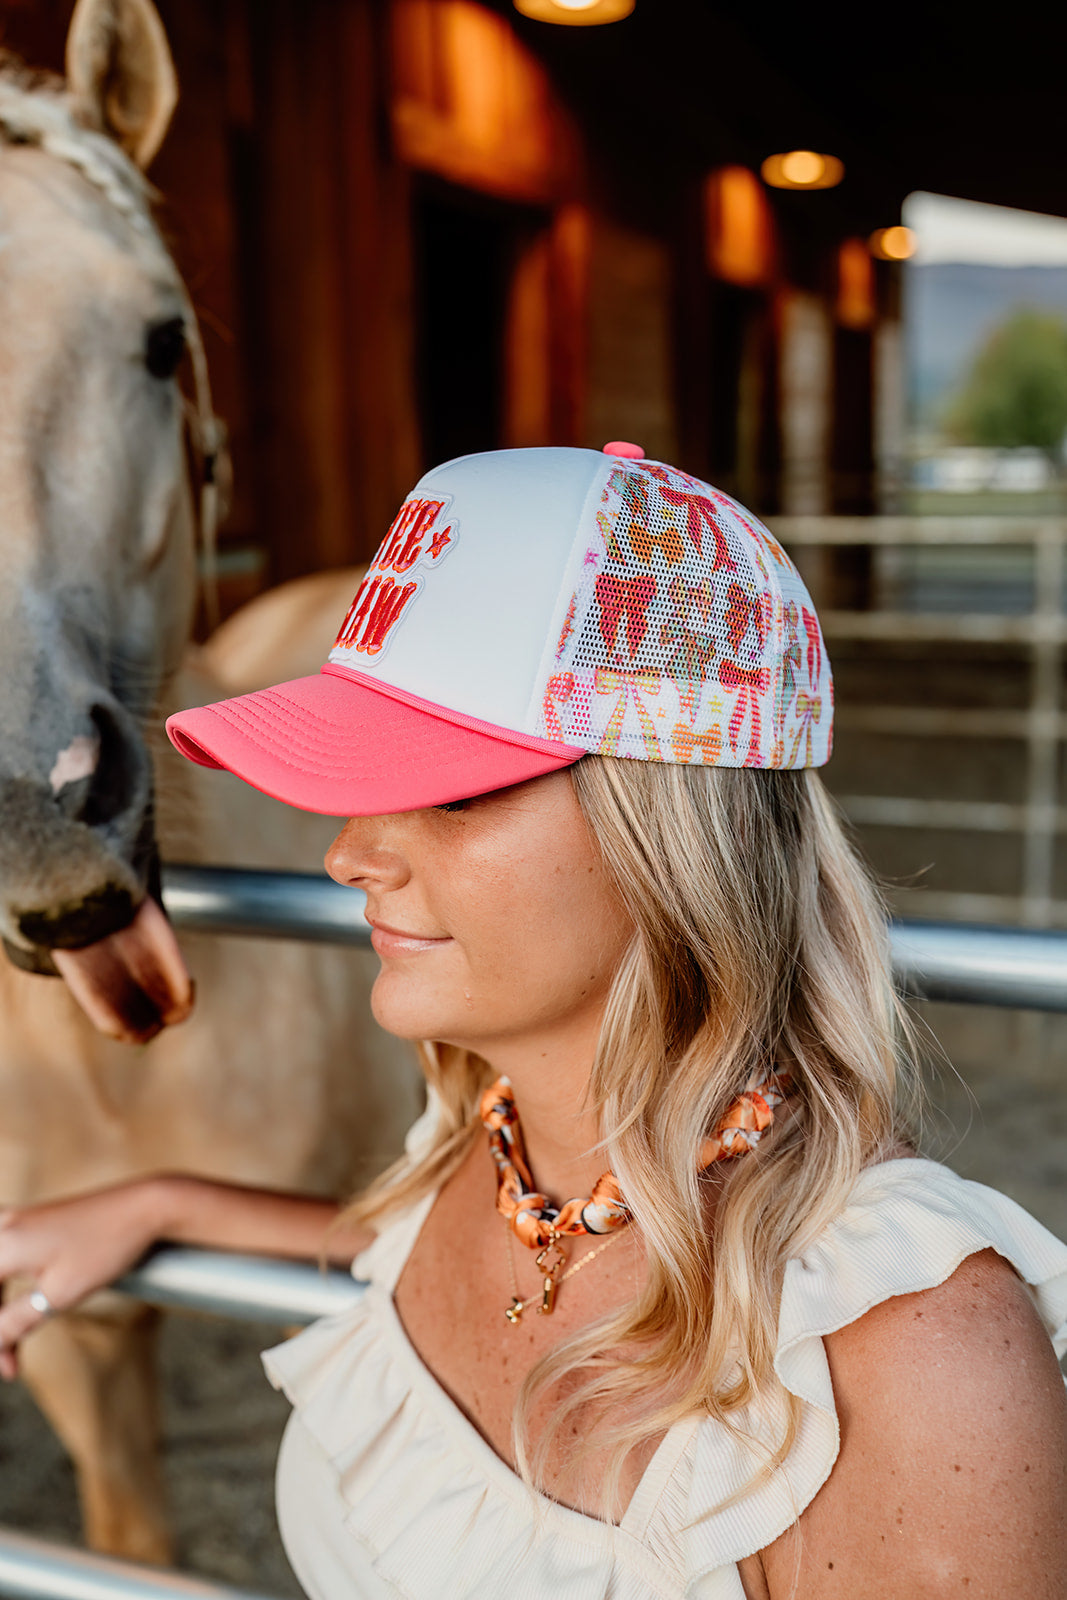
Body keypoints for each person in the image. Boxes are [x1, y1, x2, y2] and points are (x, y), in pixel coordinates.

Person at [0, 444, 1064, 1600]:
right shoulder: (495, 1138)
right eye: (360, 777)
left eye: (454, 791)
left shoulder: (918, 1366)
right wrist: (165, 1203)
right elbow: (438, 1245)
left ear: (671, 834)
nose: (347, 855)